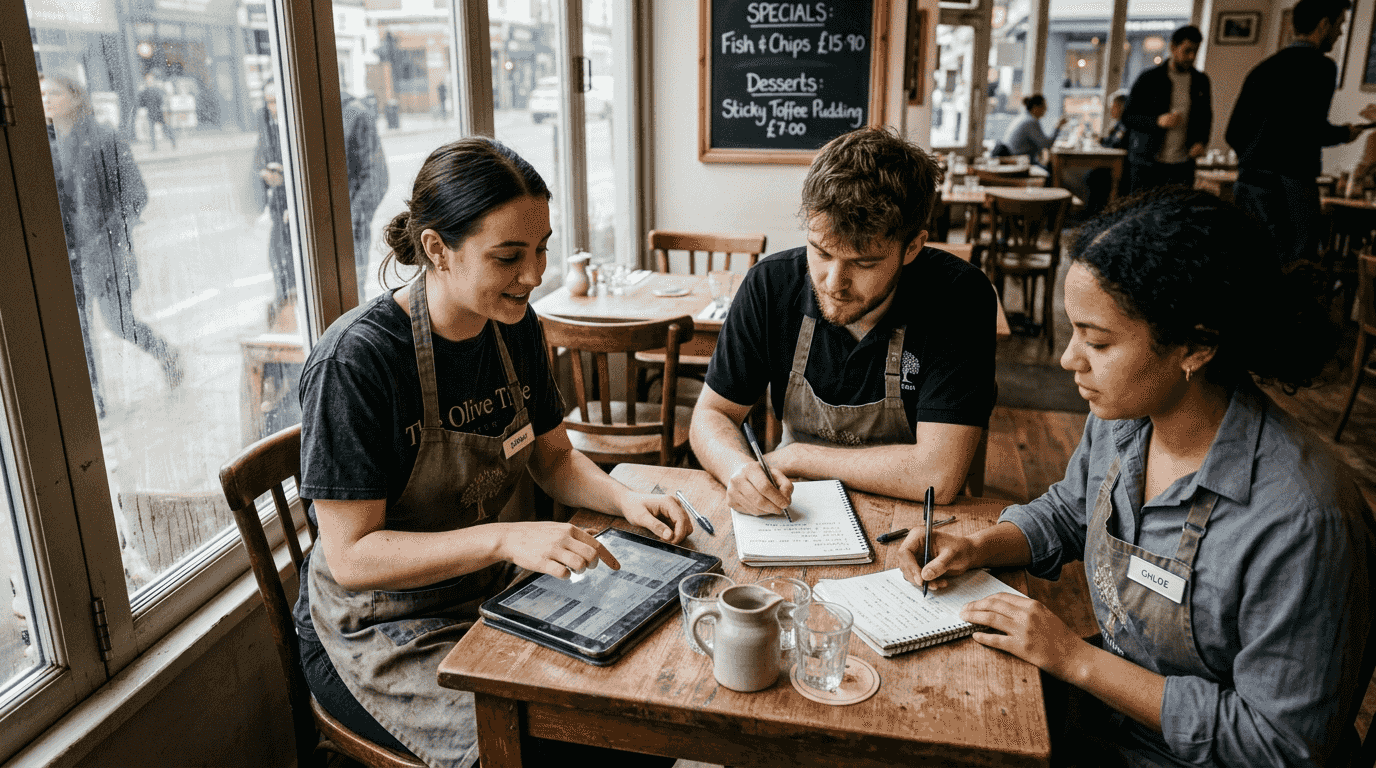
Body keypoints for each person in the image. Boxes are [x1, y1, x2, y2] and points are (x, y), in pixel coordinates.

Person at [899, 187, 1375, 767]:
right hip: (1109, 717)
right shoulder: (1128, 420)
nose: (1068, 359)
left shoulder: (1303, 520)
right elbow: (1073, 510)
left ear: (1196, 346)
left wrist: (1075, 659)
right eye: (1073, 332)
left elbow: (1279, 745)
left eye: (1097, 341)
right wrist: (980, 544)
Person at [291, 136, 691, 767]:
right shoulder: (357, 364)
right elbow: (351, 556)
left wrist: (627, 498)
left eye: (540, 251)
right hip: (376, 627)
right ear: (435, 249)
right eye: (509, 257)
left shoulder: (515, 324)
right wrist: (505, 539)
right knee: (542, 751)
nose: (534, 276)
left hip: (484, 589)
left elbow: (553, 459)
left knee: (640, 707)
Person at [689, 127, 996, 517]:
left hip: (907, 517)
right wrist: (738, 469)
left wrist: (798, 456)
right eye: (821, 252)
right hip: (793, 509)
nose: (834, 283)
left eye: (863, 263)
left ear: (912, 247)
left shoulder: (958, 297)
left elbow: (936, 473)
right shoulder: (771, 285)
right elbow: (711, 415)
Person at [41, 74, 182, 419]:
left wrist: (106, 235)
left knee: (117, 322)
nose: (45, 99)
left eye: (54, 92)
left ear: (76, 97)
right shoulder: (39, 143)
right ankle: (94, 400)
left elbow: (135, 194)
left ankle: (166, 353)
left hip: (104, 252)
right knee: (77, 331)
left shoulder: (103, 138)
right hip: (64, 255)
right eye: (41, 92)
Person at [1226, 0, 1374, 265]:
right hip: (1290, 185)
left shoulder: (1263, 68)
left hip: (1248, 182)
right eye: (1339, 25)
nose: (1340, 33)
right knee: (1295, 268)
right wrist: (1344, 133)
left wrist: (1253, 158)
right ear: (1323, 24)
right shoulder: (1322, 67)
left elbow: (1233, 131)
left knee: (1246, 261)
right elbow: (1308, 129)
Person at [1121, 25, 1211, 194]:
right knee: (1142, 214)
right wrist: (1157, 121)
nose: (1191, 56)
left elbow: (1206, 117)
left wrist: (1201, 142)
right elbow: (1127, 117)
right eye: (1187, 51)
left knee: (1176, 215)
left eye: (1195, 51)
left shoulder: (1201, 81)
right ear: (1173, 48)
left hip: (1183, 165)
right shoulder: (1149, 79)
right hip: (1147, 163)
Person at [252, 80, 294, 328]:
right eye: (269, 103)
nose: (273, 108)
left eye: (276, 102)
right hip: (280, 213)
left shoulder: (296, 127)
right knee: (279, 267)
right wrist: (265, 176)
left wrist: (285, 177)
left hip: (296, 214)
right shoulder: (268, 128)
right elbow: (258, 161)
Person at [341, 92, 389, 292]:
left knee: (350, 292)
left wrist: (355, 216)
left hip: (350, 221)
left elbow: (376, 177)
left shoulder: (354, 114)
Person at [1085, 90, 1130, 215]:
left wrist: (1104, 140)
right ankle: (1093, 211)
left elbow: (1116, 144)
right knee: (1093, 175)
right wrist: (1101, 139)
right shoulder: (1119, 124)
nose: (1111, 111)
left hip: (1122, 168)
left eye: (1113, 107)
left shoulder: (1126, 124)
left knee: (1094, 176)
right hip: (1112, 164)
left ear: (1122, 107)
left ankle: (1095, 213)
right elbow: (1111, 141)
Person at [996, 95, 1069, 167]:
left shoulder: (1023, 117)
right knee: (1053, 168)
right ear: (1035, 108)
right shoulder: (1030, 121)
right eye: (1044, 107)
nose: (1046, 110)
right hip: (1019, 161)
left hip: (1015, 158)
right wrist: (1058, 127)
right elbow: (1046, 145)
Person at [136, 72, 176, 151]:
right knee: (152, 131)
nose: (149, 81)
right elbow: (141, 103)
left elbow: (163, 100)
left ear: (153, 80)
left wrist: (166, 109)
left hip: (160, 112)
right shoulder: (145, 91)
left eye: (150, 79)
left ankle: (173, 142)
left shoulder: (158, 89)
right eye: (147, 80)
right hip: (151, 113)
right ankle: (154, 147)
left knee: (166, 128)